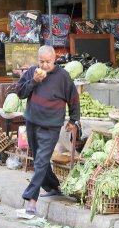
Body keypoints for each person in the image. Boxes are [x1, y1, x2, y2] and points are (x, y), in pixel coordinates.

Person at [16, 45, 80, 215]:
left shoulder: (63, 76)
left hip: (52, 124)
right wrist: (34, 81)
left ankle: (31, 200)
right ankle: (52, 186)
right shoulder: (31, 72)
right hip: (32, 121)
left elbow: (74, 98)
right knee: (39, 158)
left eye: (48, 62)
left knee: (41, 161)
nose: (44, 65)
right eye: (41, 61)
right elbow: (20, 93)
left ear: (54, 60)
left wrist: (74, 119)